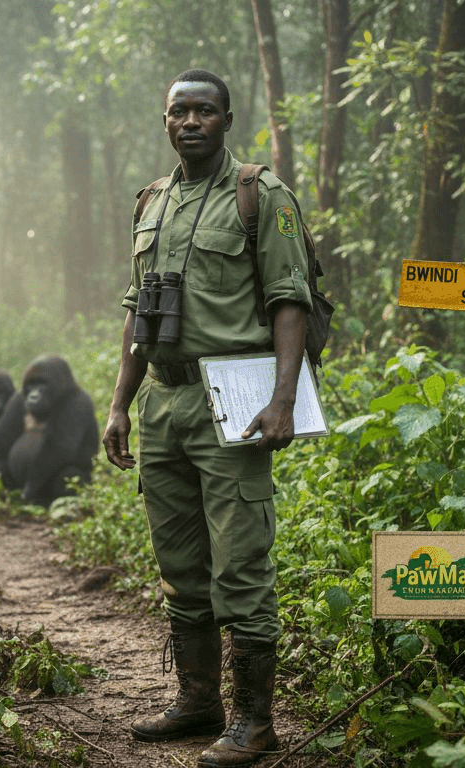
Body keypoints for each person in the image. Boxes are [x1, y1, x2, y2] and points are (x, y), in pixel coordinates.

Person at [101, 69, 312, 768]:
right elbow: (138, 310)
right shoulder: (151, 200)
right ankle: (199, 701)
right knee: (180, 564)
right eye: (178, 111)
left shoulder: (260, 195)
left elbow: (290, 300)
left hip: (235, 399)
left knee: (240, 566)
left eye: (203, 111)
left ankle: (255, 722)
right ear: (165, 121)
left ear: (226, 119)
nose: (189, 121)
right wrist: (119, 404)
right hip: (163, 400)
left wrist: (282, 398)